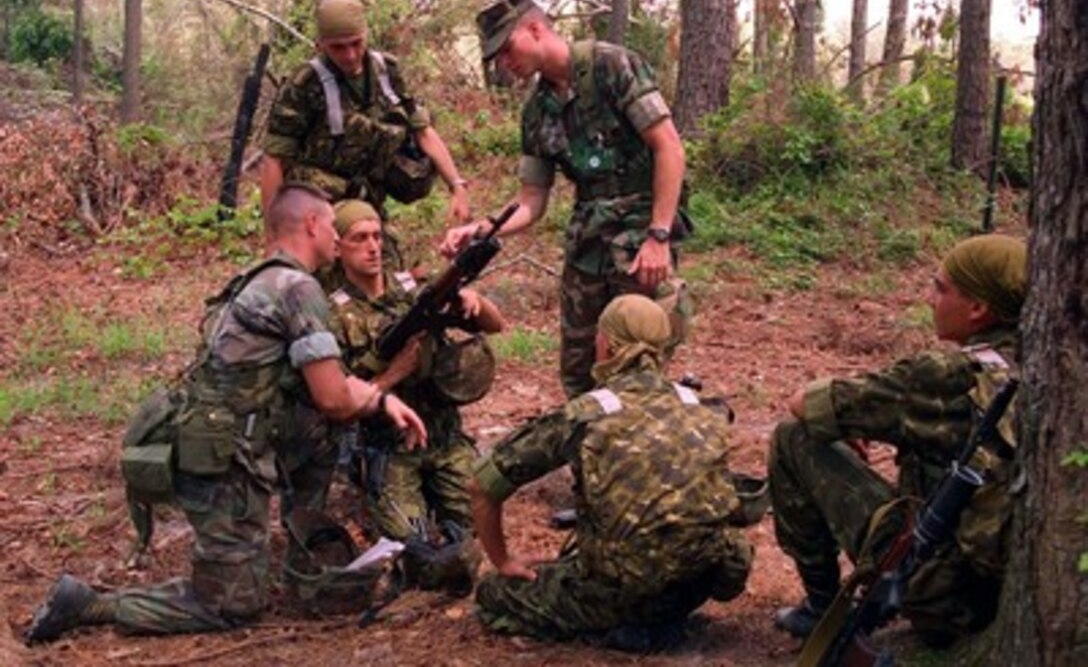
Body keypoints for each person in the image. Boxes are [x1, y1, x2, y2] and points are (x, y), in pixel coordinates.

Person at [23, 186, 427, 643]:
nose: (338, 239)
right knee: (232, 606)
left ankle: (303, 559)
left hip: (229, 439)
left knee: (322, 430)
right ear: (313, 225)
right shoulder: (298, 288)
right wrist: (383, 392)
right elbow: (334, 397)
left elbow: (325, 390)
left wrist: (379, 398)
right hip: (223, 461)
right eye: (335, 228)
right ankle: (92, 604)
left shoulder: (258, 277)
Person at [769, 234, 1026, 646]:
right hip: (1009, 587)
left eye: (940, 288)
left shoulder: (946, 375)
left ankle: (820, 607)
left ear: (979, 309)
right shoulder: (1051, 362)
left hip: (938, 590)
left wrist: (848, 425)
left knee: (792, 437)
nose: (929, 299)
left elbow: (807, 404)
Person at [442, 0, 691, 398]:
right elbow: (530, 201)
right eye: (497, 58)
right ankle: (589, 456)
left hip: (638, 241)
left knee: (633, 363)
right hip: (588, 248)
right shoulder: (536, 113)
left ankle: (639, 454)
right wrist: (481, 229)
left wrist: (659, 236)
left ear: (536, 29)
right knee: (579, 374)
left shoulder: (611, 65)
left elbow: (669, 148)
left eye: (508, 49)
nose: (505, 63)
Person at [469, 294, 752, 648]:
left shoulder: (586, 413)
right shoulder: (700, 405)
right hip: (696, 582)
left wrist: (503, 560)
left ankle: (620, 627)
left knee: (494, 593)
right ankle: (662, 618)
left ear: (607, 345)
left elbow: (483, 484)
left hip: (622, 591)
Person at [326, 199, 504, 591]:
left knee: (480, 522)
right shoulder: (334, 315)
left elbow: (496, 325)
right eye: (359, 239)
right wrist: (393, 375)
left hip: (444, 437)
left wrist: (475, 302)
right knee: (412, 543)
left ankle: (455, 536)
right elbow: (338, 398)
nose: (373, 247)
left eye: (376, 236)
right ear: (337, 247)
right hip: (388, 446)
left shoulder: (415, 289)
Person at [261, 0, 470, 263]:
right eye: (337, 47)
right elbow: (274, 160)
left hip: (367, 202)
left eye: (356, 44)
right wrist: (274, 238)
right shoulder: (304, 85)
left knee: (386, 278)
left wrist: (457, 185)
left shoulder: (386, 72)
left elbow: (423, 131)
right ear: (321, 45)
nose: (349, 55)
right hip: (319, 208)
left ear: (366, 35)